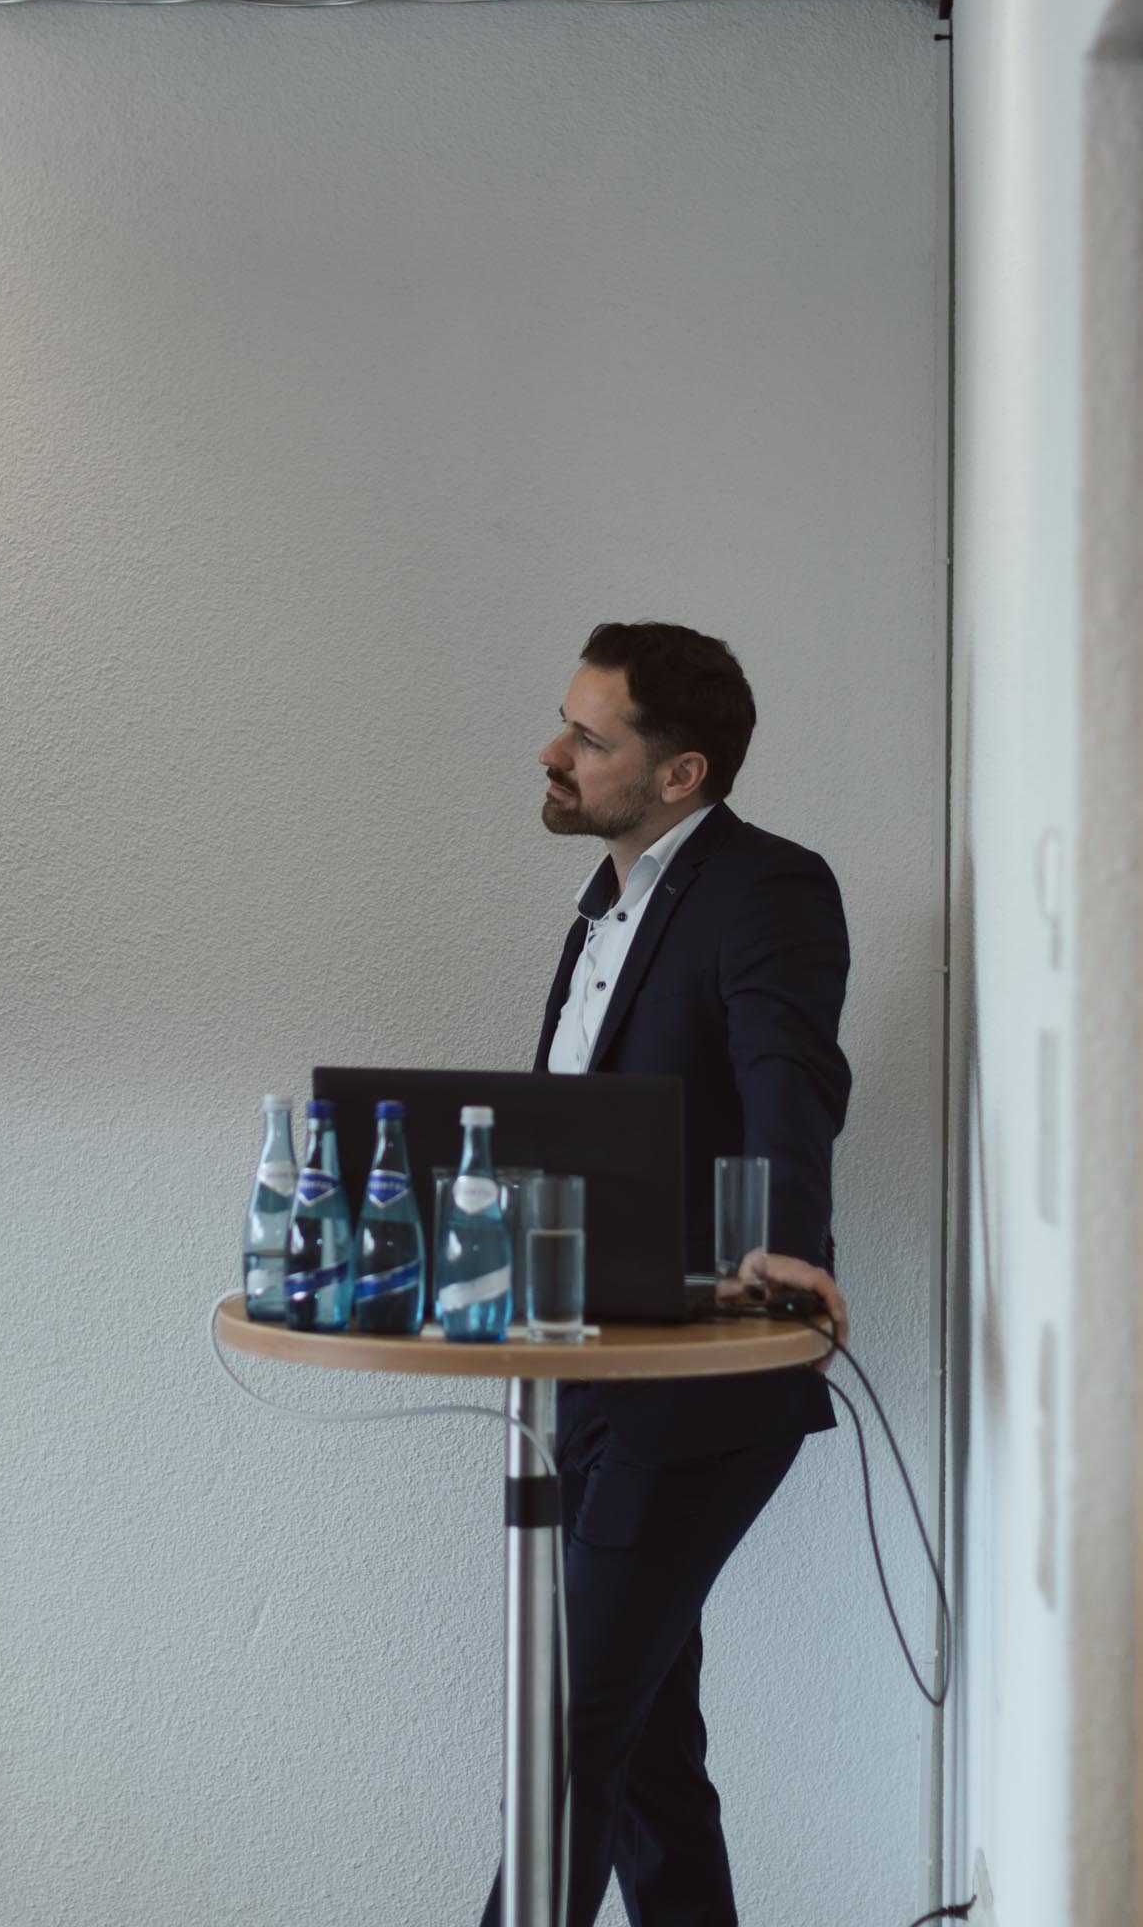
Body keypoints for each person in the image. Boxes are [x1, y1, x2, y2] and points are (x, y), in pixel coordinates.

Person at [479, 621, 852, 1927]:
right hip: (581, 1370)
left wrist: (789, 1238)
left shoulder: (767, 889)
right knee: (641, 1757)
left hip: (697, 1387)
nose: (554, 751)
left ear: (680, 774)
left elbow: (787, 1074)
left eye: (590, 737)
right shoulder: (607, 907)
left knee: (569, 1738)